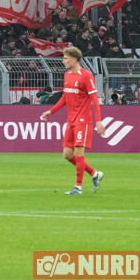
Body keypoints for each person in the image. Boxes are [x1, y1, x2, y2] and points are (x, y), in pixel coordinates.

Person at [41, 47, 106, 195]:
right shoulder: (67, 75)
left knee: (78, 152)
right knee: (67, 154)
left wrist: (99, 121)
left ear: (74, 59)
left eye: (66, 58)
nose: (63, 61)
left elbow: (95, 99)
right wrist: (51, 111)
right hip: (71, 120)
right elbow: (65, 97)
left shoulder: (87, 76)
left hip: (83, 120)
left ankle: (78, 187)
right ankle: (94, 174)